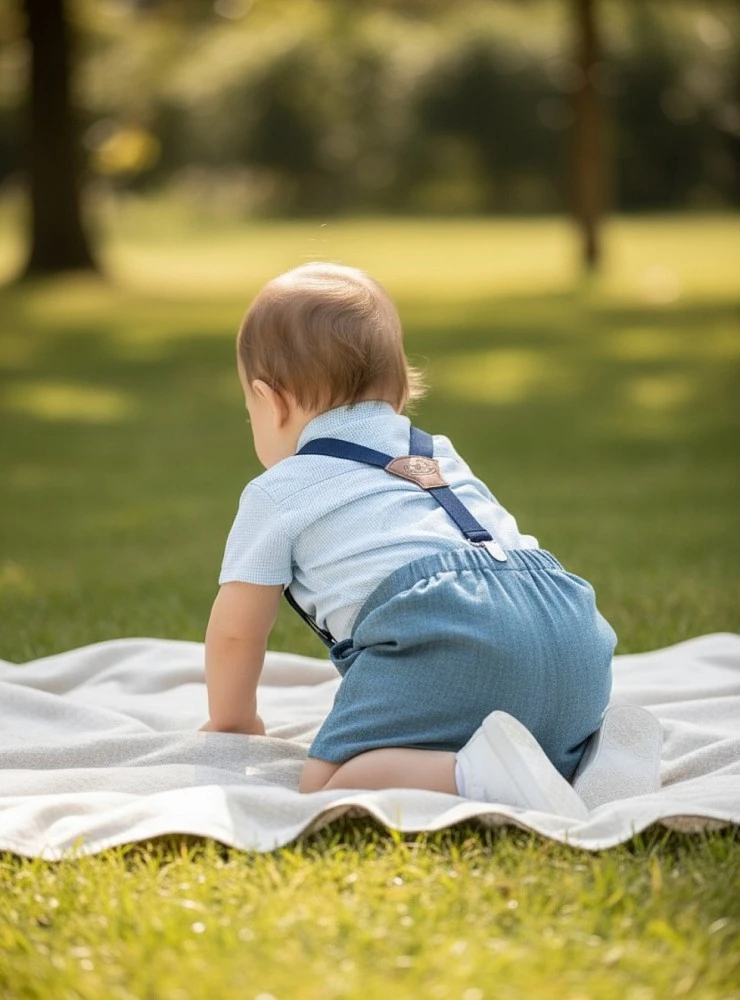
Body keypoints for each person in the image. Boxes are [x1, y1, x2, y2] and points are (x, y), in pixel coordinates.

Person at [200, 262, 662, 817]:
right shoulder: (436, 453)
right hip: (569, 625)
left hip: (444, 629)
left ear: (269, 401)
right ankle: (586, 758)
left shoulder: (278, 491)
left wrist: (234, 723)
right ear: (399, 391)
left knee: (326, 782)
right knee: (514, 712)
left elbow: (237, 633)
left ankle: (477, 777)